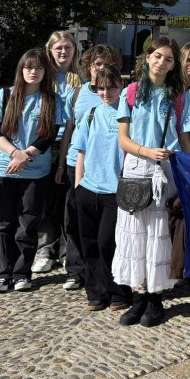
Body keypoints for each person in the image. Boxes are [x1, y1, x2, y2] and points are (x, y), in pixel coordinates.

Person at [113, 36, 190, 328]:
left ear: (174, 65)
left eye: (169, 59)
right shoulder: (131, 92)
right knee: (135, 233)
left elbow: (185, 137)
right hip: (137, 166)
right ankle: (139, 296)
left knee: (158, 232)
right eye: (158, 56)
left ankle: (155, 298)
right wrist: (145, 151)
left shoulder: (178, 95)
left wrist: (188, 172)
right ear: (147, 58)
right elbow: (123, 139)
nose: (162, 62)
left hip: (166, 169)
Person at [0, 48, 58, 293]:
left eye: (38, 68)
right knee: (2, 223)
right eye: (29, 67)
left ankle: (21, 273)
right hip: (3, 169)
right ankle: (1, 274)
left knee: (27, 224)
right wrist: (14, 154)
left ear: (45, 71)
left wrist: (25, 155)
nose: (33, 72)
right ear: (21, 69)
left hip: (35, 171)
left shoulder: (50, 99)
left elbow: (48, 136)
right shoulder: (5, 95)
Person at [53, 44, 123, 293]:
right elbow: (70, 131)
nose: (101, 68)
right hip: (77, 165)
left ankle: (107, 280)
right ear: (89, 67)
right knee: (74, 223)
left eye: (106, 64)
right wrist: (62, 164)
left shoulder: (121, 97)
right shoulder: (78, 92)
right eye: (97, 64)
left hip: (108, 173)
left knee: (104, 233)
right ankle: (76, 270)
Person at [71, 65, 131, 312]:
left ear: (121, 86)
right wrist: (78, 186)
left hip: (114, 190)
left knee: (109, 242)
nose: (106, 93)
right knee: (89, 244)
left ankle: (118, 290)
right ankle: (95, 291)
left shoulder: (128, 115)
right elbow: (81, 151)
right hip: (88, 188)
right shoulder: (91, 114)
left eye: (111, 87)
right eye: (101, 88)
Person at [32, 31, 82, 280]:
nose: (63, 52)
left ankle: (66, 253)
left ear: (75, 51)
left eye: (68, 48)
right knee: (45, 201)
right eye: (58, 48)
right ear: (50, 50)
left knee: (67, 203)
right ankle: (45, 250)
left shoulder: (79, 80)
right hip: (44, 145)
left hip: (70, 146)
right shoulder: (42, 78)